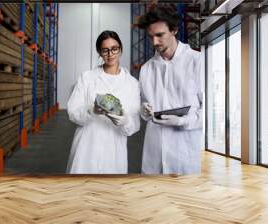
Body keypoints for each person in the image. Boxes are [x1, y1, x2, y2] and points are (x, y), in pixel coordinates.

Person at [137, 8, 204, 175]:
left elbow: (211, 113)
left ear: (174, 30)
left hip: (186, 155)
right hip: (154, 156)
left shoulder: (198, 62)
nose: (154, 42)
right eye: (151, 36)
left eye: (160, 35)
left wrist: (182, 121)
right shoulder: (146, 69)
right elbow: (144, 111)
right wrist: (143, 110)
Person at [66, 30, 140, 174]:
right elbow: (72, 112)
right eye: (105, 50)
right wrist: (90, 110)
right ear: (99, 52)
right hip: (86, 147)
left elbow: (135, 123)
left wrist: (126, 121)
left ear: (120, 49)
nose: (110, 54)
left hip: (115, 150)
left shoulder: (132, 83)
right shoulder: (87, 78)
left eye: (114, 49)